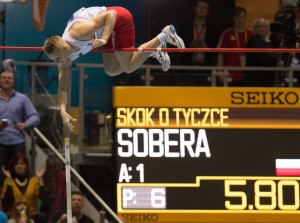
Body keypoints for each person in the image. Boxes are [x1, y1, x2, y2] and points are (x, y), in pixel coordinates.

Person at [43, 6, 185, 130]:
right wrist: (62, 110)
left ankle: (163, 35)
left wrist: (104, 39)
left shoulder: (79, 33)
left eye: (57, 58)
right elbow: (62, 88)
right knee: (110, 70)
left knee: (128, 66)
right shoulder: (64, 59)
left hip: (118, 20)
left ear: (64, 48)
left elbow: (112, 15)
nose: (58, 61)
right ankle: (153, 50)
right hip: (107, 29)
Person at [0, 67, 40, 187]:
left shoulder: (22, 99)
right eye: (4, 78)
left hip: (18, 142)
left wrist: (25, 124)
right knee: (0, 177)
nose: (7, 80)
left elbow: (35, 117)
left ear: (13, 81)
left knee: (20, 175)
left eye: (9, 78)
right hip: (0, 142)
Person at [0, 152, 46, 223]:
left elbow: (42, 197)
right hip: (13, 216)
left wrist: (40, 179)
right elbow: (6, 202)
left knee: (42, 217)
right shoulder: (8, 181)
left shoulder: (33, 180)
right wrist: (9, 180)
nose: (19, 166)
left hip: (31, 215)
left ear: (26, 165)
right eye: (16, 164)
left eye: (21, 163)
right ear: (13, 167)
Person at [217, 6, 252, 86]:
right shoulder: (227, 34)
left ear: (246, 18)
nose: (240, 20)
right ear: (233, 19)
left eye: (242, 17)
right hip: (230, 74)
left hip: (247, 75)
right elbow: (221, 55)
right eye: (237, 18)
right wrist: (219, 72)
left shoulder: (251, 34)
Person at [245, 18, 279, 87]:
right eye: (259, 26)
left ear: (268, 29)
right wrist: (276, 61)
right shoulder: (253, 39)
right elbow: (264, 56)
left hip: (268, 79)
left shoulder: (269, 42)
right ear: (254, 28)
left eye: (264, 26)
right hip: (255, 80)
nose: (262, 28)